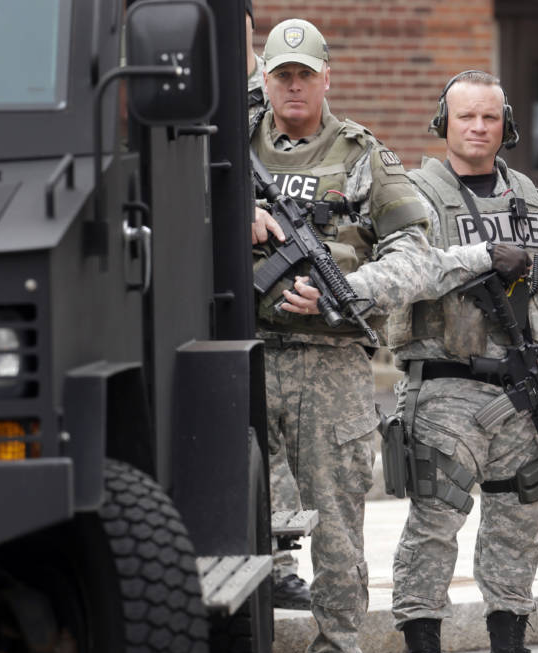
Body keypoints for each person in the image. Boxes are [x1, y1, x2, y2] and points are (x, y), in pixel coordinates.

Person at [249, 20, 528, 653]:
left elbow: (415, 257)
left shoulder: (365, 156)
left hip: (332, 361)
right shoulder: (218, 152)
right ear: (263, 78)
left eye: (304, 74)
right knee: (232, 521)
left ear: (325, 79)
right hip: (240, 355)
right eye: (281, 73)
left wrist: (352, 290)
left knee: (338, 527)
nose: (292, 84)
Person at [379, 70, 538, 653]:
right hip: (445, 387)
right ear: (441, 123)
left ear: (507, 126)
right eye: (465, 117)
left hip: (526, 392)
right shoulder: (413, 197)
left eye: (490, 119)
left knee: (517, 522)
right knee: (433, 524)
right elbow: (404, 277)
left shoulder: (535, 200)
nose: (478, 129)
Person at [245, 0, 311, 613]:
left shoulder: (269, 119)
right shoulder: (224, 117)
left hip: (277, 315)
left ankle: (283, 561)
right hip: (218, 309)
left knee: (276, 446)